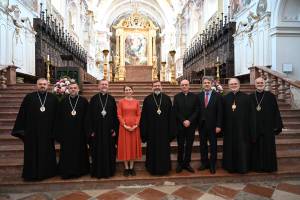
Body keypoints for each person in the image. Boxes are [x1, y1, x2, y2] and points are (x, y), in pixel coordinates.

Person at [11, 78, 58, 181]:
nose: (42, 86)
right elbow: (22, 114)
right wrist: (22, 130)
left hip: (47, 133)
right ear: (36, 85)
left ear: (48, 85)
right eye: (40, 84)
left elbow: (57, 117)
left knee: (47, 152)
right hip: (32, 132)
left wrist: (55, 131)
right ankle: (31, 173)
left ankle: (48, 173)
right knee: (32, 153)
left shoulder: (53, 98)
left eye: (44, 84)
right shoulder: (29, 97)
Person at [140, 81, 176, 175]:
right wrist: (144, 132)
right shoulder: (147, 99)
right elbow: (144, 117)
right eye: (155, 86)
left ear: (161, 87)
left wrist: (171, 131)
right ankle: (152, 168)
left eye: (158, 86)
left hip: (164, 131)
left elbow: (171, 116)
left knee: (164, 150)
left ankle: (164, 169)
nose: (157, 87)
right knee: (152, 150)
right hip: (152, 131)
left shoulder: (167, 99)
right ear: (152, 87)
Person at [55, 82, 90, 179]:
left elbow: (88, 118)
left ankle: (81, 170)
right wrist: (60, 133)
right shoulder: (63, 102)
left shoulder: (84, 101)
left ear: (78, 89)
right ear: (68, 90)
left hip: (80, 133)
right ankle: (66, 170)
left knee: (80, 152)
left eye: (75, 88)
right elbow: (59, 118)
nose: (73, 89)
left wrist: (87, 132)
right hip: (67, 133)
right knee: (67, 152)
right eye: (71, 88)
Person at [250, 77, 283, 172]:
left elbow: (276, 111)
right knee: (256, 148)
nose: (260, 84)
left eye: (261, 82)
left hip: (268, 127)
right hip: (255, 127)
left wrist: (277, 125)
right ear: (255, 84)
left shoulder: (271, 96)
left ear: (264, 84)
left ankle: (269, 167)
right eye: (258, 83)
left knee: (268, 147)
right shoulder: (251, 97)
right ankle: (256, 167)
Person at [87, 79, 119, 178]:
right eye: (102, 84)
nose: (104, 86)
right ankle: (97, 171)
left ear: (108, 86)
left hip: (109, 132)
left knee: (109, 151)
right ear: (98, 86)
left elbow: (114, 115)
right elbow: (89, 116)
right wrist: (91, 130)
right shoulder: (93, 99)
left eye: (106, 84)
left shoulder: (111, 99)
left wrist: (114, 129)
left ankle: (109, 171)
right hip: (97, 132)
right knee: (96, 151)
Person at [222, 78, 253, 173]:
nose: (233, 85)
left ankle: (242, 167)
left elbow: (251, 114)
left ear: (239, 85)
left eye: (235, 84)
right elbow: (222, 115)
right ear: (228, 86)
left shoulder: (247, 98)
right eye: (231, 84)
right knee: (230, 148)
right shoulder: (225, 98)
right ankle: (230, 167)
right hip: (229, 129)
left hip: (242, 129)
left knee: (242, 148)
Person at [173, 79, 199, 173]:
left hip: (191, 125)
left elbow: (197, 110)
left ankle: (187, 163)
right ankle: (180, 164)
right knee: (180, 145)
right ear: (180, 86)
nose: (184, 86)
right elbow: (175, 111)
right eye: (182, 85)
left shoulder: (195, 97)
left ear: (189, 86)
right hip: (180, 125)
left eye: (186, 85)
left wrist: (189, 120)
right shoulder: (176, 97)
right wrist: (183, 120)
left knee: (189, 145)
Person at [198, 77, 223, 174]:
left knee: (213, 146)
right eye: (205, 83)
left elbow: (220, 112)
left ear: (212, 83)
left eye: (208, 83)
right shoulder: (199, 96)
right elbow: (198, 110)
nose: (207, 84)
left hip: (213, 126)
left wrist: (219, 125)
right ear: (202, 84)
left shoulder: (218, 96)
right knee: (203, 145)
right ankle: (204, 163)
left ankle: (212, 165)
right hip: (202, 125)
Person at [117, 85, 142, 177]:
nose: (128, 91)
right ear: (124, 91)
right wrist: (125, 125)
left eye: (129, 89)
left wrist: (136, 124)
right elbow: (119, 114)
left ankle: (131, 167)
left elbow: (138, 114)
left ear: (132, 91)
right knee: (125, 147)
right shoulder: (121, 102)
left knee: (132, 147)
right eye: (126, 90)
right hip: (124, 128)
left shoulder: (136, 102)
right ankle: (126, 168)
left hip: (134, 127)